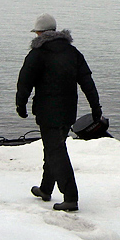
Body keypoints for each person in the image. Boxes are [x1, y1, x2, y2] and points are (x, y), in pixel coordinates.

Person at [16, 13, 102, 212]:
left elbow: (25, 82)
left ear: (40, 33)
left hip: (48, 112)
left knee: (56, 152)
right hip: (68, 111)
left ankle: (70, 197)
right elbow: (87, 82)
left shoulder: (37, 54)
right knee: (53, 148)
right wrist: (95, 107)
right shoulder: (73, 53)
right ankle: (46, 189)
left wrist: (20, 104)